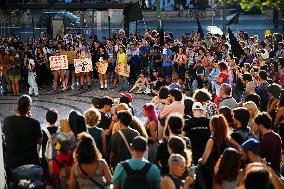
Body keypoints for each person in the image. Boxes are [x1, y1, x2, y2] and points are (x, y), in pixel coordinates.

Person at [3, 95, 42, 182]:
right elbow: (39, 141)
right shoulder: (34, 123)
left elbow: (6, 138)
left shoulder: (7, 121)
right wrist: (29, 119)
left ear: (17, 104)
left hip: (13, 164)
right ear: (29, 107)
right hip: (31, 164)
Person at [199, 115, 240, 189]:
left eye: (210, 123)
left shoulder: (211, 140)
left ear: (214, 126)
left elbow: (204, 160)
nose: (209, 125)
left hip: (215, 173)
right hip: (227, 170)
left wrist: (199, 162)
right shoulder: (227, 138)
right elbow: (239, 148)